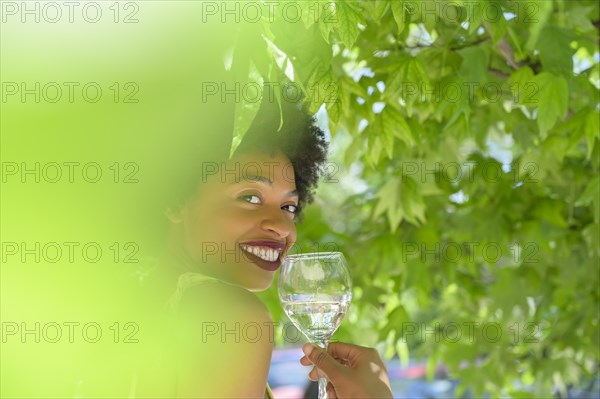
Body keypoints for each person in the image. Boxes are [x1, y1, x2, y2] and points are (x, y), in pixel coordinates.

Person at [126, 98, 394, 398]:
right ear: (175, 198)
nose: (283, 227)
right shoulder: (234, 317)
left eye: (289, 206)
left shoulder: (132, 304)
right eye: (250, 198)